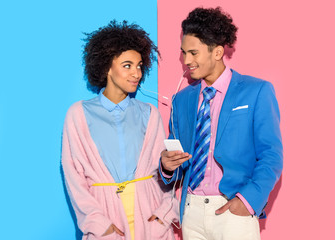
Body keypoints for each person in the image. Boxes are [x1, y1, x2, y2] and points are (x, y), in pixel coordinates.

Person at [159, 7, 283, 240]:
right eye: (183, 52)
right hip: (191, 211)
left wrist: (247, 201)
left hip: (233, 209)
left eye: (194, 53)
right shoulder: (181, 100)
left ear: (217, 52)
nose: (186, 61)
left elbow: (271, 156)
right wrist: (167, 166)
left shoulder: (256, 91)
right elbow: (180, 165)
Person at [62, 20, 178, 240]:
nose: (136, 73)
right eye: (127, 65)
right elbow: (74, 177)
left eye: (139, 66)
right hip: (107, 220)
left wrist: (163, 215)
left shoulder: (149, 113)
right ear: (107, 67)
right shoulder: (78, 114)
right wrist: (98, 224)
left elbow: (162, 174)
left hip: (150, 220)